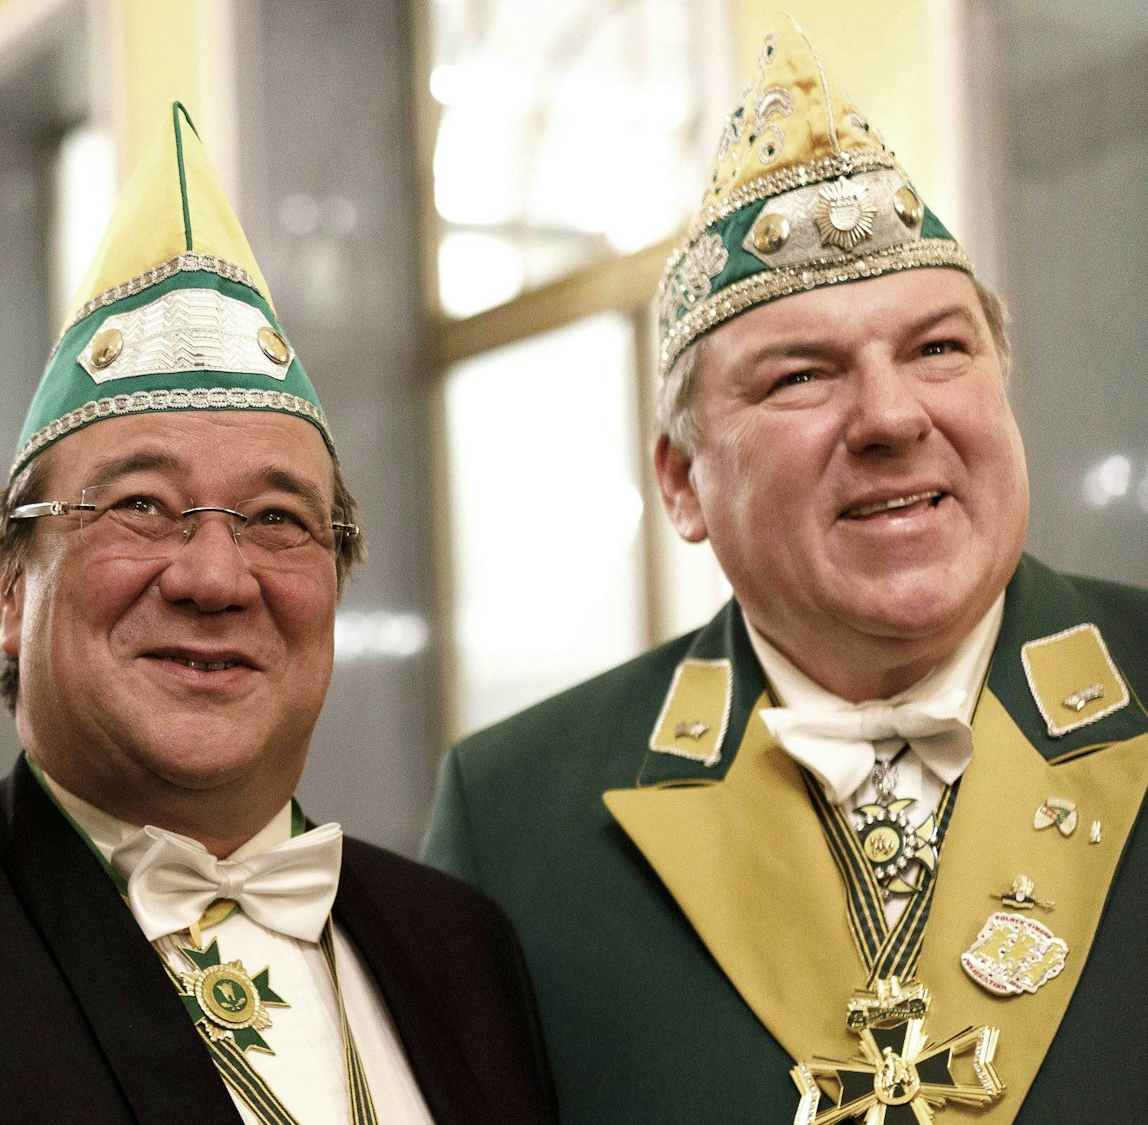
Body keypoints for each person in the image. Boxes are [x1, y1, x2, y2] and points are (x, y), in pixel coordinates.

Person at [0, 103, 554, 1125]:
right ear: (7, 585)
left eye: (276, 519)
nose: (216, 578)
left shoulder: (461, 946)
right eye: (140, 507)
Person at [422, 16, 1148, 1124]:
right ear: (678, 481)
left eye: (936, 349)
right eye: (799, 377)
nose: (890, 417)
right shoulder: (515, 815)